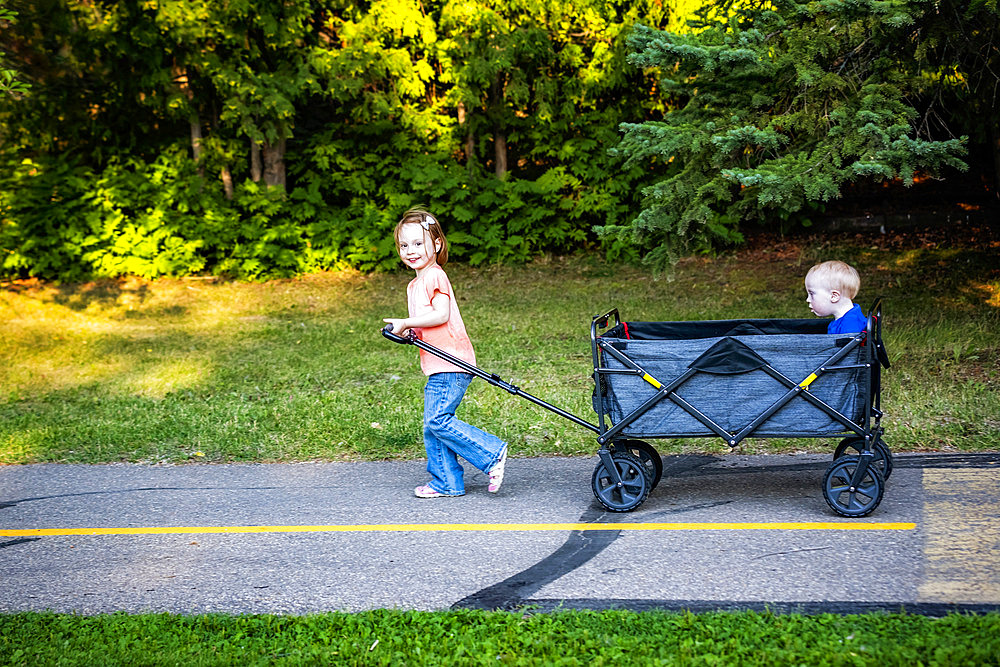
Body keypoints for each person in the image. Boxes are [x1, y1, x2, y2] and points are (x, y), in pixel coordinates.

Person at [383, 208, 508, 498]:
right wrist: (408, 331)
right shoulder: (415, 284)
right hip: (438, 362)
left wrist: (407, 322)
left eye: (418, 243)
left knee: (438, 420)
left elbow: (441, 315)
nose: (410, 251)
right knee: (433, 425)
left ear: (436, 244)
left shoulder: (434, 276)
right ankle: (447, 482)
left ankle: (491, 452)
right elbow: (427, 324)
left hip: (452, 361)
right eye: (404, 245)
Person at [804, 260, 868, 334]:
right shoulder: (847, 318)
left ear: (834, 296)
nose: (808, 299)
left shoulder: (850, 328)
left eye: (812, 294)